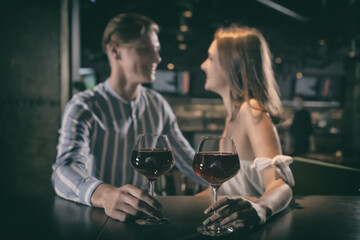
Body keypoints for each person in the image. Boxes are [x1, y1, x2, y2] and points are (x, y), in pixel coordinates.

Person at [51, 13, 207, 222]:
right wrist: (105, 194)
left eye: (156, 50)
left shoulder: (158, 105)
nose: (157, 58)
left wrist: (247, 189)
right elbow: (63, 171)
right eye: (145, 50)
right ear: (115, 51)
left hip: (148, 220)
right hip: (99, 222)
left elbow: (190, 162)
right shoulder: (84, 106)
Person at [198, 25, 294, 230]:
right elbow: (227, 190)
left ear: (232, 65)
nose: (203, 65)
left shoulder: (251, 110)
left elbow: (280, 185)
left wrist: (261, 208)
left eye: (211, 58)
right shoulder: (232, 117)